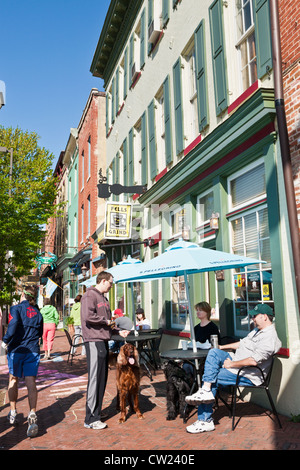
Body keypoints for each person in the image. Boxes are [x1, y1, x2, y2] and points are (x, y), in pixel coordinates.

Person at [185, 303, 282, 434]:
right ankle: (206, 390)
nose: (252, 318)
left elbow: (253, 361)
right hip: (236, 363)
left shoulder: (270, 338)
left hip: (248, 374)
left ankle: (205, 421)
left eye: (255, 316)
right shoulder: (256, 330)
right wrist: (220, 347)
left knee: (212, 377)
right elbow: (242, 343)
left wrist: (231, 365)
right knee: (213, 352)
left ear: (264, 317)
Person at [81, 271, 130, 430]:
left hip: (103, 341)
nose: (111, 285)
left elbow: (107, 323)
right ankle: (90, 419)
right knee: (95, 379)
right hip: (93, 341)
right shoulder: (90, 295)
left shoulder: (104, 298)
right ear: (102, 281)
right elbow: (88, 316)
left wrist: (117, 331)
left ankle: (96, 412)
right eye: (110, 282)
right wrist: (106, 321)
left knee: (101, 378)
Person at [1, 285, 43, 438]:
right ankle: (32, 412)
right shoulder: (38, 313)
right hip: (32, 350)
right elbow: (40, 333)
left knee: (13, 378)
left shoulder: (16, 309)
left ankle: (12, 411)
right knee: (31, 381)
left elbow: (13, 325)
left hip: (17, 349)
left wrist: (5, 340)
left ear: (23, 295)